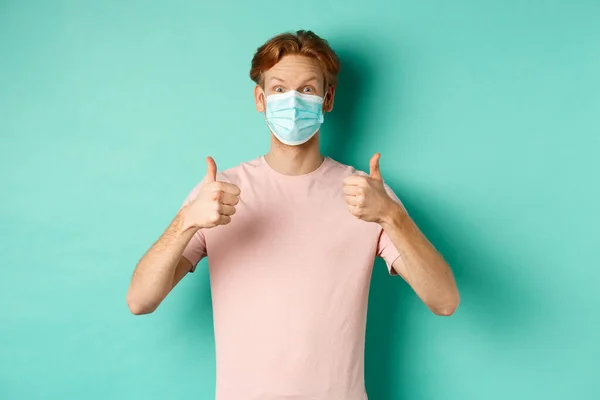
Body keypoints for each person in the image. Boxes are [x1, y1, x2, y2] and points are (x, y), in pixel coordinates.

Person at [126, 30, 460, 400]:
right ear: (260, 98)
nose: (293, 101)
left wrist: (391, 217)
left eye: (307, 89)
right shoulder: (219, 194)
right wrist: (187, 219)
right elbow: (140, 300)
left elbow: (444, 300)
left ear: (327, 98)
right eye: (280, 89)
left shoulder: (366, 196)